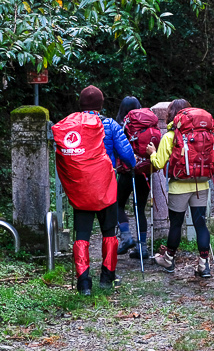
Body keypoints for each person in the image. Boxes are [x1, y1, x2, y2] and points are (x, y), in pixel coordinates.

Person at [75, 85, 136, 294]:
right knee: (109, 233)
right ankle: (106, 278)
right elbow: (127, 154)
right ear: (101, 105)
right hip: (106, 187)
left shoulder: (73, 125)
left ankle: (84, 283)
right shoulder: (110, 125)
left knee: (82, 234)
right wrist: (132, 164)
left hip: (82, 187)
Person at [145, 99, 212, 278]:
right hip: (201, 183)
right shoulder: (202, 134)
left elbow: (158, 163)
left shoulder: (170, 136)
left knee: (176, 224)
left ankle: (169, 259)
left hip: (179, 186)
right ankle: (204, 265)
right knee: (200, 224)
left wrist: (152, 153)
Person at [115, 96, 151, 259]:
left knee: (118, 205)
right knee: (140, 210)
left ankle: (126, 236)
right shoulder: (147, 124)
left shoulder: (122, 125)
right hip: (144, 172)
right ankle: (142, 248)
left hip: (126, 173)